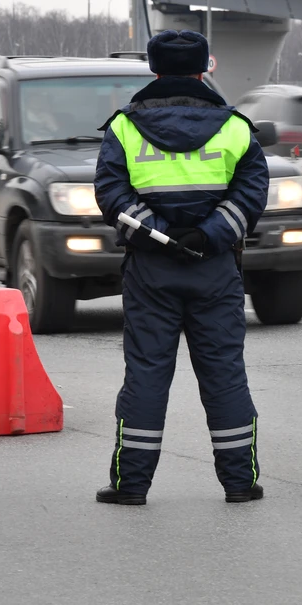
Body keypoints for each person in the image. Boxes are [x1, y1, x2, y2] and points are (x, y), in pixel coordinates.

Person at [92, 29, 269, 506]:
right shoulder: (235, 127)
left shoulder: (124, 129)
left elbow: (111, 195)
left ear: (153, 69)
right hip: (215, 269)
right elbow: (251, 195)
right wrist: (207, 235)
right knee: (224, 374)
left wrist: (159, 234)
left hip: (150, 270)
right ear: (204, 69)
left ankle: (131, 486)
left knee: (147, 374)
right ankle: (239, 483)